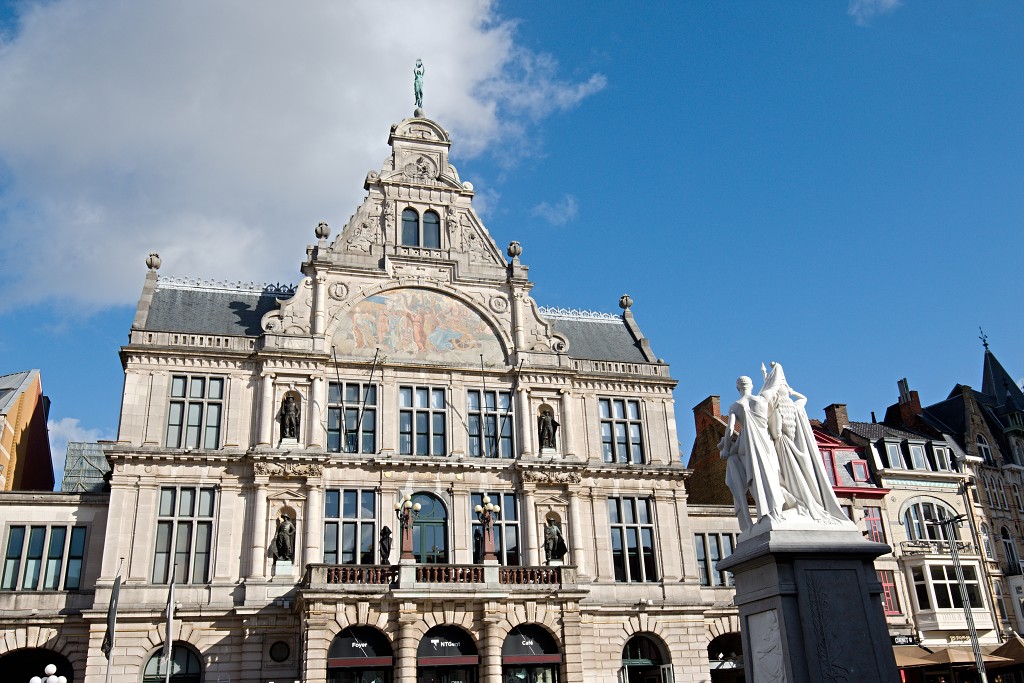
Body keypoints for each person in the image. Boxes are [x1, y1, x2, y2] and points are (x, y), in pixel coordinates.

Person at [760, 363, 847, 523]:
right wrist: (792, 391)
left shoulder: (778, 412)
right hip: (798, 450)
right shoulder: (796, 408)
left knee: (791, 478)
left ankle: (800, 504)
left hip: (784, 447)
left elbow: (776, 433)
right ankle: (809, 504)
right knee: (802, 476)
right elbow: (804, 398)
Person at [719, 376, 785, 531]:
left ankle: (763, 515)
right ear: (752, 385)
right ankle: (774, 511)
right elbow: (774, 385)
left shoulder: (736, 405)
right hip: (766, 444)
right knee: (770, 476)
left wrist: (726, 449)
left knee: (754, 480)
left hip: (746, 447)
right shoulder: (762, 401)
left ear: (737, 388)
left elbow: (729, 430)